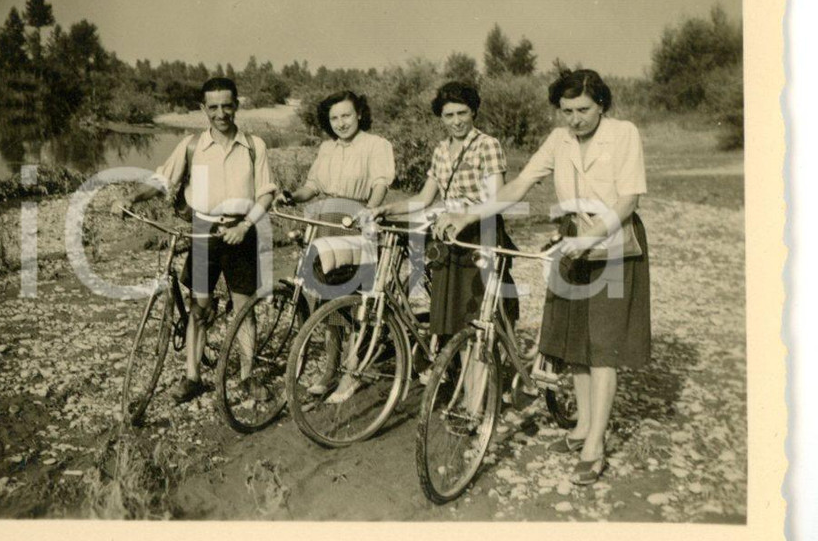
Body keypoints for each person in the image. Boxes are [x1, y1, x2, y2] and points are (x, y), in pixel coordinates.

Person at [437, 68, 651, 486]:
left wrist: (589, 237)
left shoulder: (624, 134)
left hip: (612, 237)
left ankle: (597, 445)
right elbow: (518, 184)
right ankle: (583, 427)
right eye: (567, 110)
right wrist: (469, 214)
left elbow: (628, 200)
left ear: (602, 104)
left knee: (603, 345)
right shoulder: (559, 140)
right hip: (573, 235)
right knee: (576, 342)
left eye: (583, 110)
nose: (575, 118)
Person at [113, 77, 277, 404]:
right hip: (204, 234)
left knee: (244, 309)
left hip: (242, 233)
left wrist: (245, 226)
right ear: (203, 109)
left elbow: (266, 194)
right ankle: (192, 377)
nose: (220, 113)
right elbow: (162, 180)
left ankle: (247, 377)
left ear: (237, 106)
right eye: (213, 107)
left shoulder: (254, 146)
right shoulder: (191, 146)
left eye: (226, 106)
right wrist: (132, 199)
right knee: (198, 308)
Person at [370, 81, 516, 406]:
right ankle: (469, 388)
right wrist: (387, 208)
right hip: (449, 239)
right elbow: (424, 198)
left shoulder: (487, 145)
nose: (456, 120)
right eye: (448, 114)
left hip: (481, 235)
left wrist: (463, 215)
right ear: (441, 117)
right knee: (453, 319)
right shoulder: (440, 150)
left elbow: (496, 198)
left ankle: (476, 401)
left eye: (462, 113)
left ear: (474, 111)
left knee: (477, 318)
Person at [279, 90, 395, 402]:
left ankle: (352, 371)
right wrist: (292, 195)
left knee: (353, 298)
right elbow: (312, 187)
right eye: (334, 118)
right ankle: (331, 367)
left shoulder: (376, 145)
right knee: (326, 297)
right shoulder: (326, 148)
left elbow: (380, 183)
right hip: (325, 221)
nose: (340, 123)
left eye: (346, 115)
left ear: (359, 114)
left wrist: (369, 212)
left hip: (355, 221)